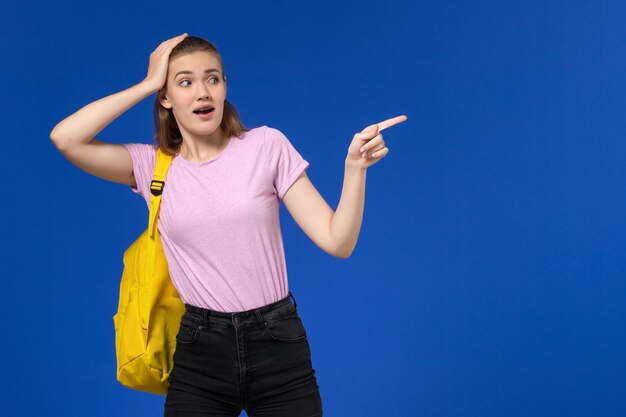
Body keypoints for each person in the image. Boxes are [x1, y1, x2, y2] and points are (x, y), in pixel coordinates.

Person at [50, 33, 407, 416]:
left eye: (212, 78)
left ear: (224, 87)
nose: (202, 91)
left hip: (278, 344)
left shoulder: (266, 146)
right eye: (185, 82)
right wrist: (148, 83)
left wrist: (355, 169)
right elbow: (66, 138)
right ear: (167, 99)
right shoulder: (153, 166)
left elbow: (338, 241)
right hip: (200, 350)